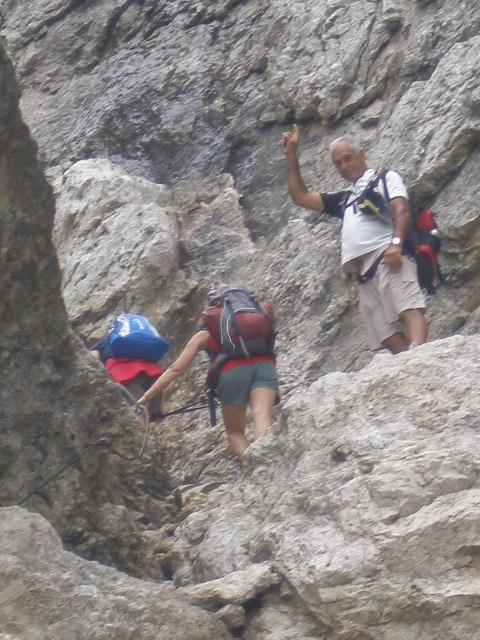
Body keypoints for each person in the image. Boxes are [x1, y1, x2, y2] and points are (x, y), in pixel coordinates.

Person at [282, 124, 428, 353]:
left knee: (409, 308)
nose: (344, 166)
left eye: (348, 158)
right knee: (386, 334)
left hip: (388, 258)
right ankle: (408, 366)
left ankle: (421, 355)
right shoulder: (345, 199)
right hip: (363, 276)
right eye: (338, 163)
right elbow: (300, 196)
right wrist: (291, 156)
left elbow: (402, 209)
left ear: (362, 155)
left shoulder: (384, 178)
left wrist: (396, 244)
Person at [138, 287, 279, 460]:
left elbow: (175, 369)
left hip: (232, 374)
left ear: (215, 306)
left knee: (235, 432)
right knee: (262, 415)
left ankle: (259, 466)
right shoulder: (258, 315)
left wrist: (147, 396)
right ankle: (271, 460)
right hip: (265, 366)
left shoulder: (208, 330)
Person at [89, 336, 165, 419]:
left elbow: (92, 360)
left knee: (139, 415)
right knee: (154, 410)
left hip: (126, 376)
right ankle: (158, 409)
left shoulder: (101, 344)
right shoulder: (129, 334)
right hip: (151, 370)